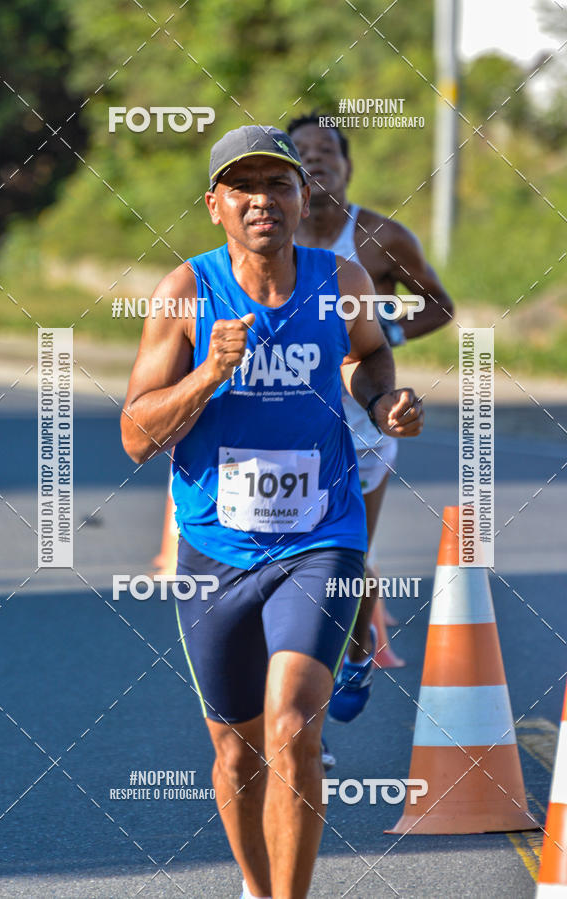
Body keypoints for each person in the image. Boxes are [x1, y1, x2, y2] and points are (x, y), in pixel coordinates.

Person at [121, 124, 424, 899]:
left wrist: (384, 399)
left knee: (292, 723)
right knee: (236, 750)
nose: (264, 201)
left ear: (302, 197)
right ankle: (257, 889)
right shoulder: (186, 293)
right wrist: (206, 375)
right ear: (217, 205)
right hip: (215, 546)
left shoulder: (342, 277)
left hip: (322, 533)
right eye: (245, 189)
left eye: (279, 185)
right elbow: (134, 435)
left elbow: (368, 353)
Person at [287, 113, 454, 731]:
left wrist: (390, 332)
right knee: (293, 558)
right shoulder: (271, 238)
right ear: (288, 173)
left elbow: (438, 303)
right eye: (302, 151)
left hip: (363, 420)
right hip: (290, 428)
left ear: (348, 166)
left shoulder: (380, 236)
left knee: (348, 554)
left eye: (328, 149)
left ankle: (355, 655)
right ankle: (296, 703)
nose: (318, 158)